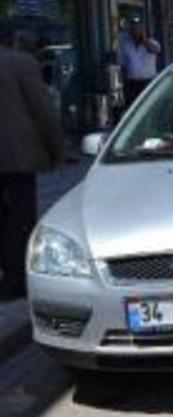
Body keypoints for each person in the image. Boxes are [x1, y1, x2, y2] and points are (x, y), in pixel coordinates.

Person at [0, 29, 64, 298]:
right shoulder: (21, 63)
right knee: (21, 217)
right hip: (17, 157)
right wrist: (57, 151)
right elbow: (43, 111)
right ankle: (17, 280)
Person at [119, 18, 161, 106]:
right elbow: (123, 63)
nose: (135, 32)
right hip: (132, 84)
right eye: (133, 29)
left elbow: (156, 50)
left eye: (138, 29)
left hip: (147, 82)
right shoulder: (126, 44)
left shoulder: (152, 43)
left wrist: (144, 40)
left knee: (148, 105)